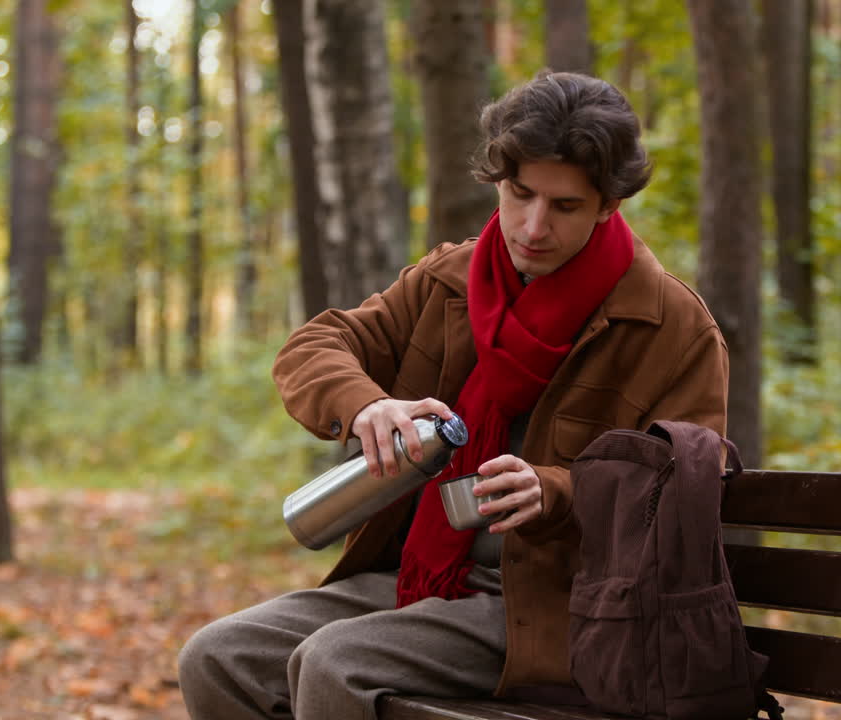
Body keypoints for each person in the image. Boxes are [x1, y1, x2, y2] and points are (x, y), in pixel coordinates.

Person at [177, 70, 729, 720]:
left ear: (609, 204)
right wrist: (367, 405)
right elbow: (311, 349)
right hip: (422, 576)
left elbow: (689, 488)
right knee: (216, 657)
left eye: (565, 206)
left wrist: (553, 489)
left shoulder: (669, 324)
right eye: (519, 194)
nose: (533, 225)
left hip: (560, 606)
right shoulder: (451, 282)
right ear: (499, 179)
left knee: (333, 664)